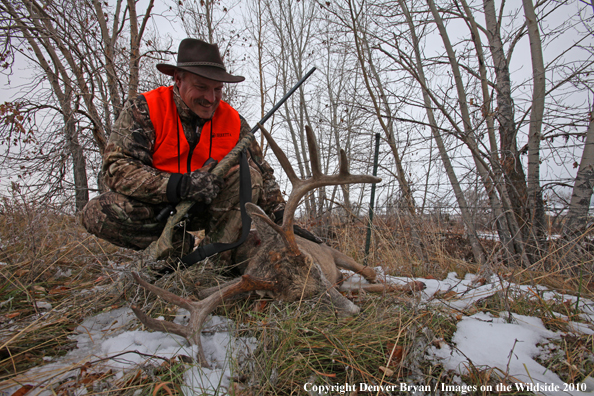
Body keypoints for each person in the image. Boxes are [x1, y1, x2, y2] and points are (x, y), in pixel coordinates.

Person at [80, 38, 285, 266]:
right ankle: (180, 250)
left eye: (218, 89)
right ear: (178, 79)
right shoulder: (145, 109)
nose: (211, 99)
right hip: (158, 209)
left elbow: (264, 175)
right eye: (201, 87)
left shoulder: (234, 121)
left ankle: (216, 260)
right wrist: (179, 185)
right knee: (97, 212)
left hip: (212, 211)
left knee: (250, 175)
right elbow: (116, 167)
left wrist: (285, 220)